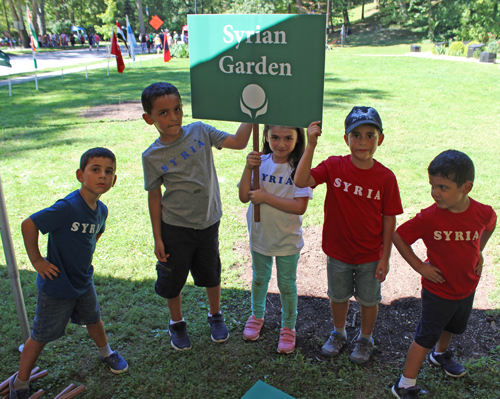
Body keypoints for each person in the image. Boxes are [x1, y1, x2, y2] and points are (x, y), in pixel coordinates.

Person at [141, 82, 252, 351]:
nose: (174, 117)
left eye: (177, 109)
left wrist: (252, 113)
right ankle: (176, 323)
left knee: (211, 272)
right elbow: (154, 197)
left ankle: (216, 315)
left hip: (208, 222)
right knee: (173, 278)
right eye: (164, 113)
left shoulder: (200, 131)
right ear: (149, 118)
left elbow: (238, 142)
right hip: (175, 227)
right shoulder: (152, 156)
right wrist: (158, 237)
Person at [9, 148, 128, 399]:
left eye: (109, 172)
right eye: (95, 170)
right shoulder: (68, 207)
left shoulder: (101, 209)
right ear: (80, 175)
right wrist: (37, 260)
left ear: (114, 180)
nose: (102, 176)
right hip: (57, 285)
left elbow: (97, 232)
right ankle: (19, 384)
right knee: (41, 336)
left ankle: (106, 353)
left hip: (83, 280)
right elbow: (29, 224)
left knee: (94, 319)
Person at [294, 107, 403, 365]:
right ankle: (339, 332)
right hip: (338, 252)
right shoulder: (334, 165)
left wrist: (384, 258)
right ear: (346, 139)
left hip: (370, 255)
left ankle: (366, 339)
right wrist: (310, 144)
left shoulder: (386, 178)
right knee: (338, 296)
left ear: (380, 139)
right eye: (356, 135)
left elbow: (390, 220)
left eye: (370, 135)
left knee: (369, 300)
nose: (362, 142)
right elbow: (301, 181)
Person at [391, 150, 496, 399]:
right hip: (438, 291)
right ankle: (404, 384)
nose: (435, 192)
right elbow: (399, 236)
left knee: (452, 326)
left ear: (466, 187)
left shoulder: (481, 212)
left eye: (443, 187)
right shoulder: (430, 217)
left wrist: (478, 251)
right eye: (433, 186)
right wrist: (420, 266)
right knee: (424, 337)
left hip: (467, 287)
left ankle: (440, 355)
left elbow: (491, 222)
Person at [239, 124, 313, 354]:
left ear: (298, 138)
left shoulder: (300, 168)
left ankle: (288, 327)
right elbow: (244, 196)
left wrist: (266, 197)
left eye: (288, 138)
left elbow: (300, 207)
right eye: (275, 137)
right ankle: (256, 315)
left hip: (287, 239)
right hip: (260, 235)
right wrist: (248, 166)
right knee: (260, 278)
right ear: (266, 136)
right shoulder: (261, 162)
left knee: (286, 285)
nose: (281, 144)